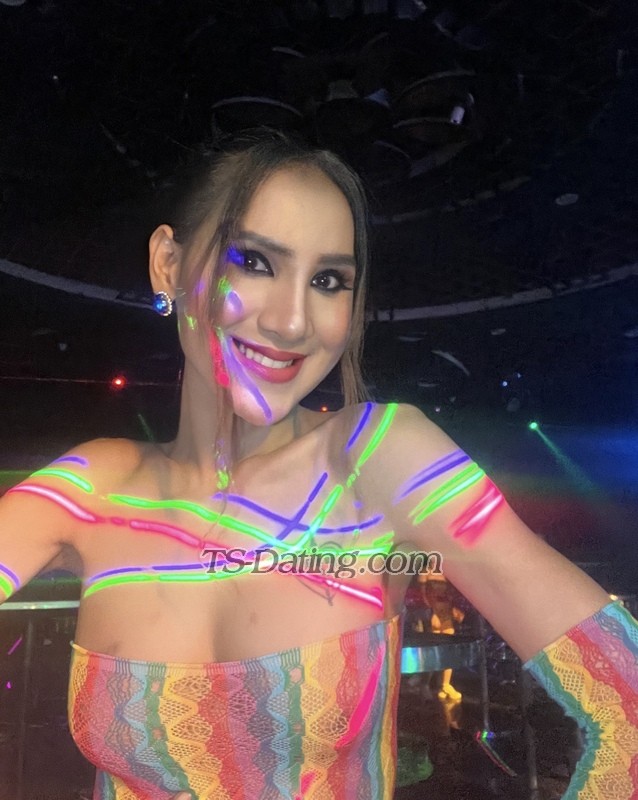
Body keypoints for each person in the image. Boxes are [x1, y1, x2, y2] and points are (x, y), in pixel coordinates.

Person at [1, 130, 636, 799]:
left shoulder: (380, 459)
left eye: (328, 281)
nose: (293, 322)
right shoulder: (89, 488)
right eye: (254, 261)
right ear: (168, 264)